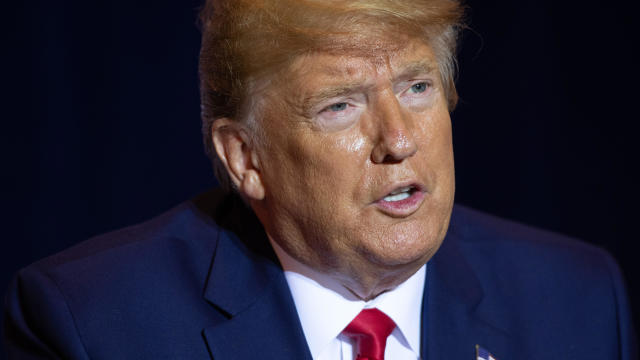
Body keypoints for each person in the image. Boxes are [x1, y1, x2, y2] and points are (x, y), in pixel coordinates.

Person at [3, 0, 637, 359]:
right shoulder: (92, 327)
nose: (399, 139)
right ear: (245, 157)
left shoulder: (577, 303)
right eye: (341, 105)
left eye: (417, 88)